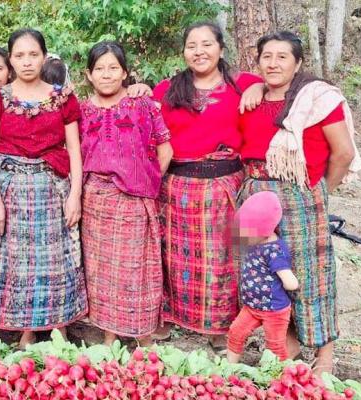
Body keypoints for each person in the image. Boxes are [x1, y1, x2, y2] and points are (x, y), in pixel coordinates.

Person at [238, 31, 361, 375]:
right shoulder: (251, 97)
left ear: (298, 63)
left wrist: (318, 192)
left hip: (299, 196)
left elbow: (343, 153)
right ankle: (284, 351)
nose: (273, 63)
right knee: (264, 274)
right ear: (258, 60)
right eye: (267, 56)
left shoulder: (319, 100)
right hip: (254, 193)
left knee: (310, 276)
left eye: (282, 56)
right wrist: (255, 88)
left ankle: (324, 359)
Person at [150, 21, 265, 351]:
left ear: (221, 49)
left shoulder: (243, 84)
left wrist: (258, 89)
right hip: (177, 187)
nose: (199, 52)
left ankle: (221, 327)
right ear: (184, 51)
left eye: (206, 44)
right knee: (173, 257)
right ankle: (169, 318)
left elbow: (280, 86)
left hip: (222, 187)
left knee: (223, 259)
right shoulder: (167, 89)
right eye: (191, 45)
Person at [0, 28, 87, 349]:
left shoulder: (63, 97)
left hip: (53, 187)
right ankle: (25, 329)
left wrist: (75, 196)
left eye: (33, 54)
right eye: (20, 55)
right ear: (11, 59)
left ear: (44, 56)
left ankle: (59, 325)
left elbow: (74, 150)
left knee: (56, 258)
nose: (27, 62)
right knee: (18, 261)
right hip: (12, 188)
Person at [79, 41, 173, 347]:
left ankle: (143, 338)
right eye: (99, 69)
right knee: (101, 272)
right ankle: (109, 337)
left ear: (125, 72)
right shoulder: (81, 111)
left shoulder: (142, 105)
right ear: (88, 75)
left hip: (134, 200)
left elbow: (165, 149)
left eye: (113, 68)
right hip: (94, 201)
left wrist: (144, 181)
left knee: (137, 272)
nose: (106, 75)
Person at [227, 191, 299, 363]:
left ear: (264, 231)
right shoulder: (253, 243)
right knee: (235, 333)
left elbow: (290, 282)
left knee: (275, 346)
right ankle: (228, 368)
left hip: (274, 309)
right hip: (251, 306)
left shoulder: (274, 251)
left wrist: (292, 283)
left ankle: (276, 376)